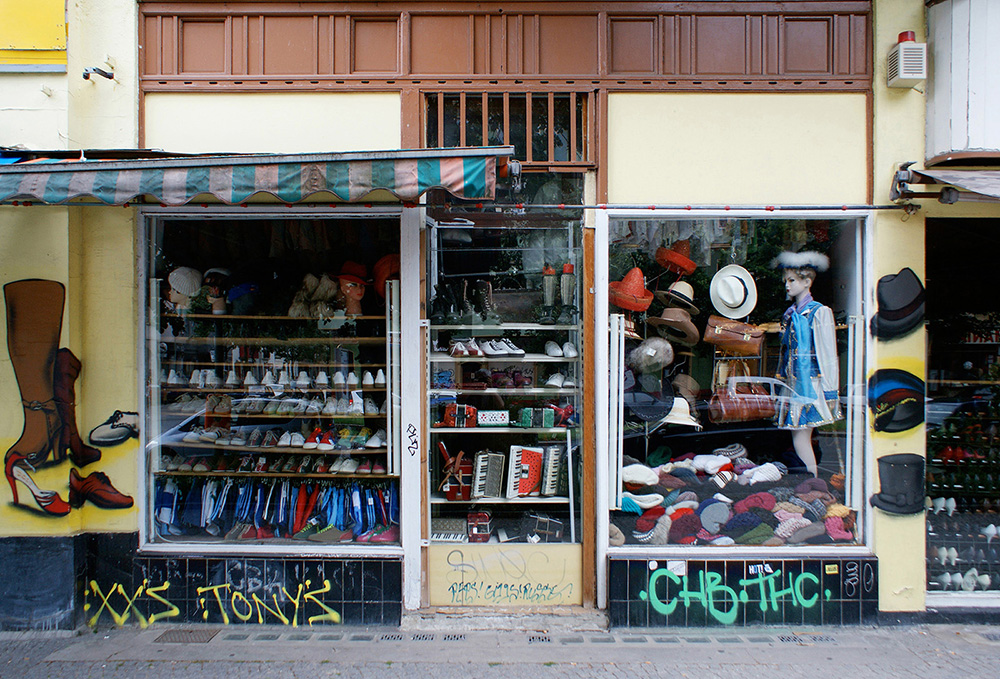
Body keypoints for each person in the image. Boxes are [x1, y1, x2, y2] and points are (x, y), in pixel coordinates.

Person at [773, 251, 842, 477]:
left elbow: (828, 355)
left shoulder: (819, 313)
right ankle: (809, 480)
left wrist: (831, 391)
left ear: (807, 281)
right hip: (794, 384)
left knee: (801, 437)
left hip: (810, 384)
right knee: (799, 437)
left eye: (791, 280)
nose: (787, 285)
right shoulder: (792, 314)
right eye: (786, 280)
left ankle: (810, 480)